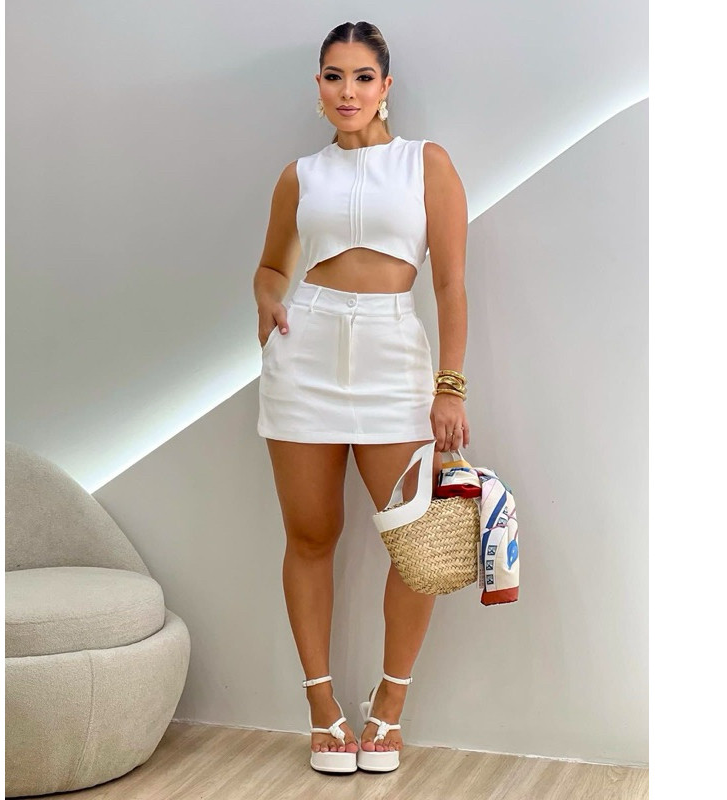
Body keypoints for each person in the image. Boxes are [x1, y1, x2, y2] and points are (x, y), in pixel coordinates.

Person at [252, 20, 469, 775]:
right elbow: (272, 267)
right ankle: (322, 710)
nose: (348, 91)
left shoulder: (426, 163)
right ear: (318, 87)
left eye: (362, 77)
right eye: (334, 76)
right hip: (304, 354)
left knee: (417, 543)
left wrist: (450, 384)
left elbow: (450, 283)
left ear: (385, 86)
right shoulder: (300, 176)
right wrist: (267, 300)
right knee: (310, 537)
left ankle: (389, 707)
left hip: (392, 355)